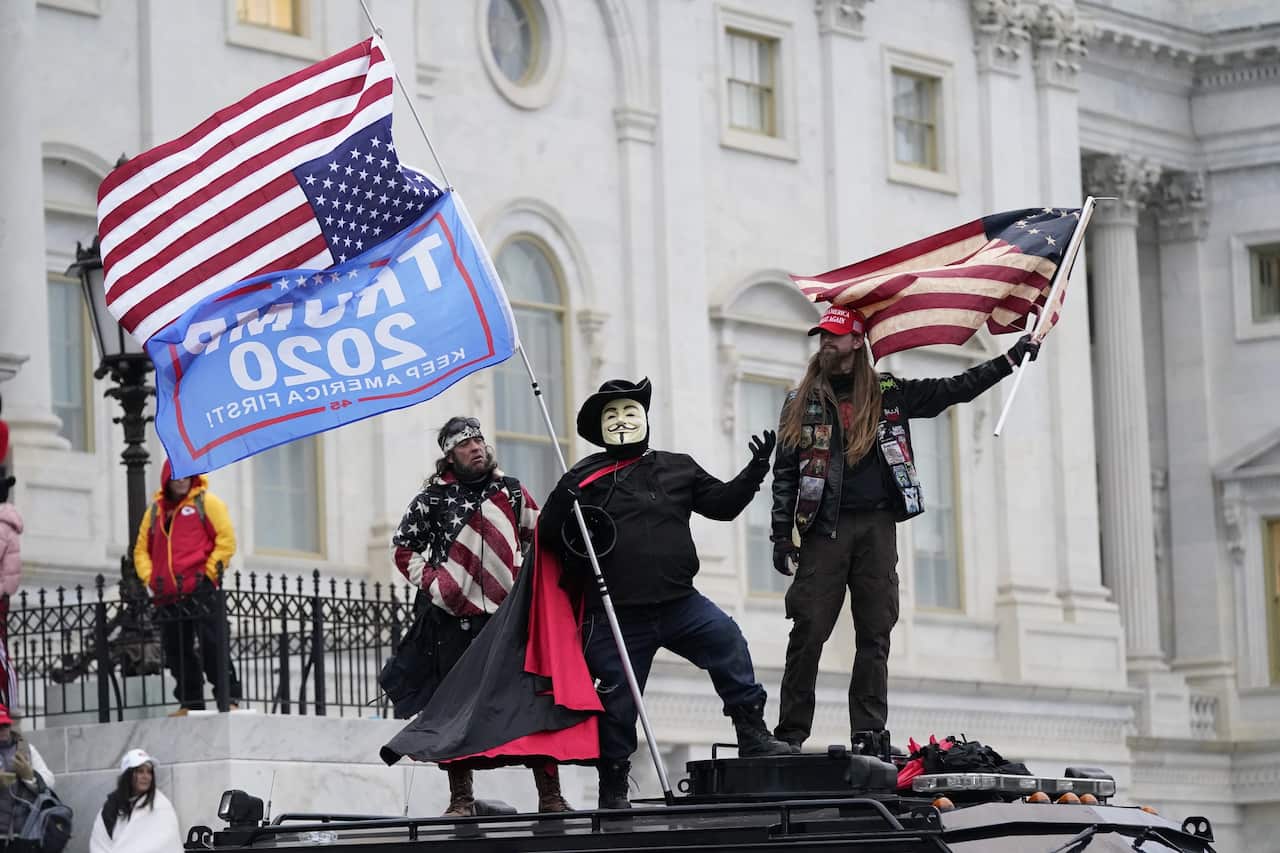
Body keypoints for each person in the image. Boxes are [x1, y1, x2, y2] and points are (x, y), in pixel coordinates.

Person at [770, 306, 1039, 755]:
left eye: (835, 337)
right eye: (823, 337)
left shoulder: (889, 393)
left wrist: (1009, 361)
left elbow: (955, 390)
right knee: (808, 630)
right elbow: (785, 475)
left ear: (858, 342)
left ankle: (868, 733)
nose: (825, 344)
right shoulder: (800, 401)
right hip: (824, 530)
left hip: (877, 527)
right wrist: (781, 536)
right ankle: (790, 734)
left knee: (875, 631)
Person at [538, 377, 793, 810]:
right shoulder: (583, 478)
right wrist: (562, 504)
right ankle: (614, 789)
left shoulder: (678, 467)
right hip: (618, 613)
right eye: (611, 415)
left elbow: (723, 506)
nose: (621, 421)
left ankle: (751, 734)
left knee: (727, 639)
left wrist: (754, 471)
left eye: (628, 411)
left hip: (679, 604)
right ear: (600, 429)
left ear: (645, 418)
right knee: (616, 702)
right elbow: (550, 537)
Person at [390, 416, 571, 816]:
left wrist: (529, 580)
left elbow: (541, 537)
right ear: (450, 456)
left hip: (508, 620)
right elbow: (404, 550)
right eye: (466, 444)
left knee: (530, 705)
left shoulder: (512, 492)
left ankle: (551, 796)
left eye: (479, 441)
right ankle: (461, 799)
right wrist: (440, 586)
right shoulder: (431, 501)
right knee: (452, 710)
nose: (476, 448)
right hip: (454, 624)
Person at [133, 460, 241, 715]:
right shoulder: (154, 513)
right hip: (167, 594)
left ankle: (229, 698)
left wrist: (208, 574)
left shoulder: (207, 503)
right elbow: (141, 550)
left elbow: (225, 540)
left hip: (200, 588)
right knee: (176, 651)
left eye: (185, 476)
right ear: (166, 480)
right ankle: (190, 702)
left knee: (213, 644)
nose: (181, 481)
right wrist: (152, 579)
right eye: (175, 476)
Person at [89, 748, 181, 853]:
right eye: (140, 771)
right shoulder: (111, 806)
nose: (146, 776)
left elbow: (165, 845)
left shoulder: (161, 806)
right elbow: (100, 842)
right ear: (128, 775)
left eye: (149, 772)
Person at [0, 702, 55, 848]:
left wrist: (29, 776)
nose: (3, 731)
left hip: (26, 833)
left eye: (5, 725)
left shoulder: (26, 749)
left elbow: (50, 781)